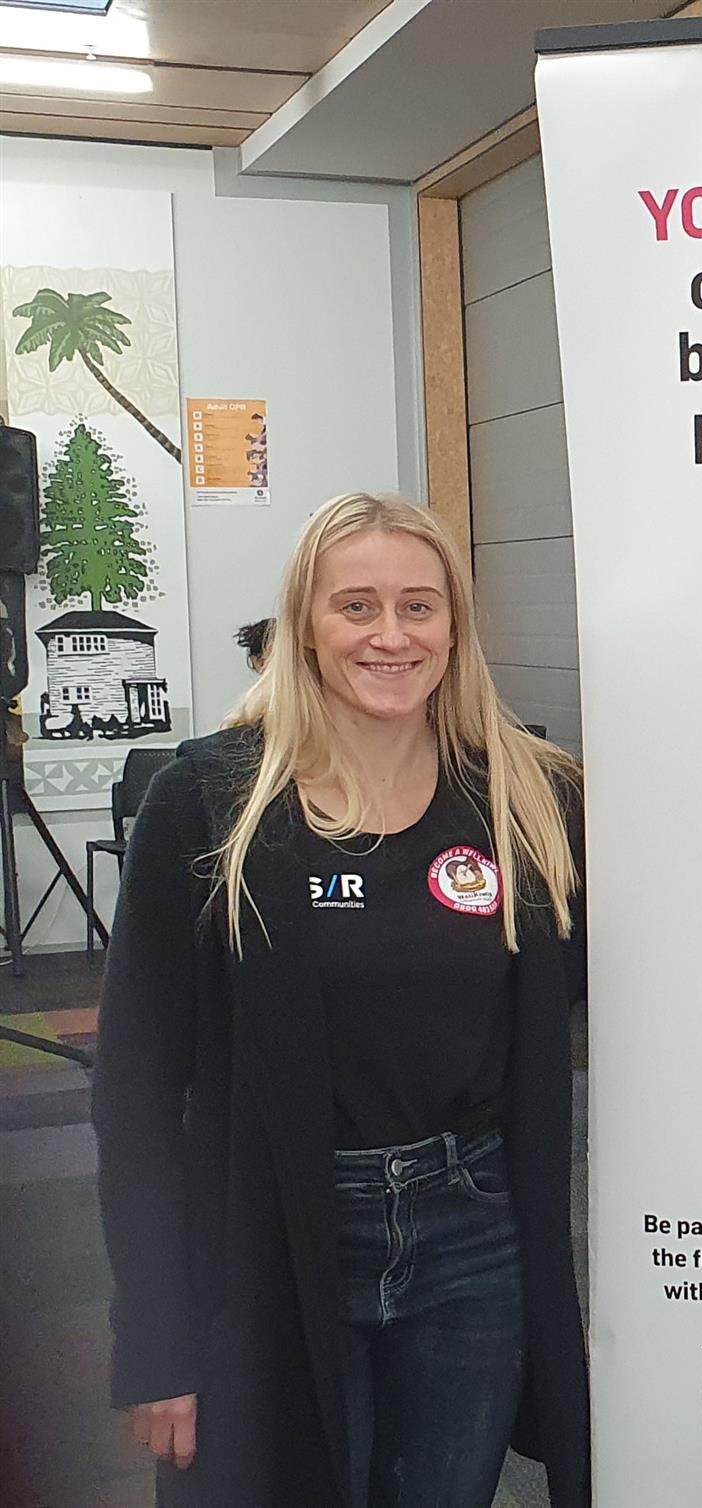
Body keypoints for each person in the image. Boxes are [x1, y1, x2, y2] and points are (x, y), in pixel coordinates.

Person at [93, 494, 589, 1507]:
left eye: (418, 606)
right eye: (356, 605)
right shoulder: (208, 804)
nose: (391, 635)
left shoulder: (528, 798)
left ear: (454, 627)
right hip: (273, 1236)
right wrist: (154, 1337)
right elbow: (135, 1092)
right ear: (305, 625)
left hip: (472, 1236)